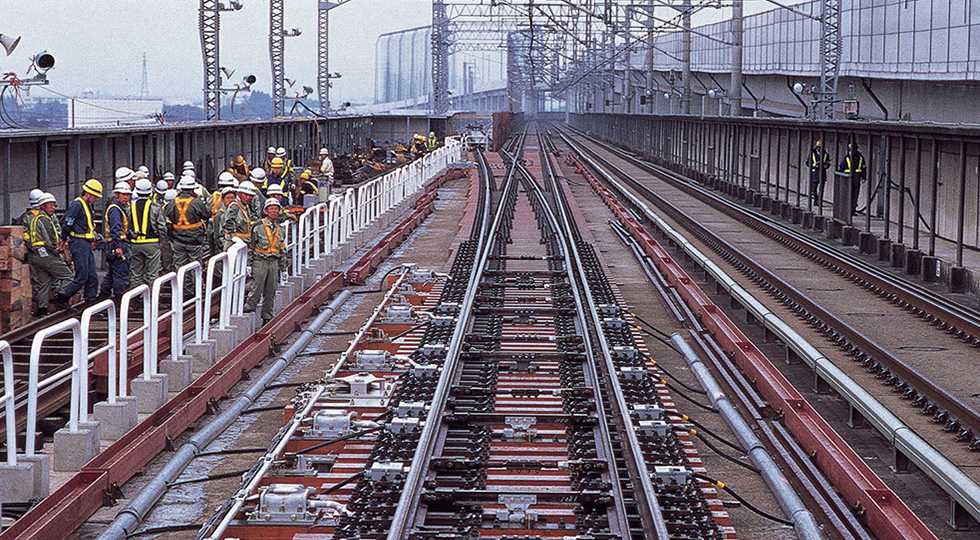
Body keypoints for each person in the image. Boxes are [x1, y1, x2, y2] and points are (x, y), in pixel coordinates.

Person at [54, 179, 103, 306]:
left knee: (92, 275)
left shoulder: (87, 205)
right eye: (95, 196)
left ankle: (90, 302)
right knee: (82, 276)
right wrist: (64, 239)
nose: (96, 199)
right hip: (79, 243)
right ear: (88, 193)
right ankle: (62, 298)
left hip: (86, 243)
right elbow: (68, 223)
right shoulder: (77, 204)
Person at [27, 192, 73, 316]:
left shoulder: (34, 218)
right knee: (68, 277)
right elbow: (50, 240)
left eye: (54, 205)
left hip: (36, 256)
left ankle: (42, 310)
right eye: (50, 205)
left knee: (44, 283)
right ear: (42, 206)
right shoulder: (45, 220)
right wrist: (57, 249)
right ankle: (60, 298)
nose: (53, 208)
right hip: (48, 255)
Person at [244, 197, 286, 326]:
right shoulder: (257, 227)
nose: (273, 211)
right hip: (260, 261)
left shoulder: (280, 230)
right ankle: (248, 309)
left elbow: (282, 250)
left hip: (273, 262)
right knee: (257, 287)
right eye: (271, 209)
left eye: (276, 209)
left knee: (271, 290)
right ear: (266, 211)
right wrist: (248, 264)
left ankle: (267, 317)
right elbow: (250, 246)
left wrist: (284, 269)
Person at [165, 176, 211, 275]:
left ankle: (182, 289)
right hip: (194, 241)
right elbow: (207, 214)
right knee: (195, 269)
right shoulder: (196, 202)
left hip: (178, 241)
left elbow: (166, 215)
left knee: (180, 269)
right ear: (193, 189)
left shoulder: (173, 202)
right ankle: (195, 289)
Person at [129, 179, 167, 289]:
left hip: (135, 244)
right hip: (152, 243)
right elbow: (162, 227)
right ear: (150, 192)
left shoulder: (130, 207)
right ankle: (152, 301)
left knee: (136, 275)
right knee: (152, 274)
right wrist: (161, 241)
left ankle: (136, 300)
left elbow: (127, 225)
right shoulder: (155, 207)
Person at [99, 182, 132, 300]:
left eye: (128, 195)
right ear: (117, 195)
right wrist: (118, 246)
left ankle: (103, 296)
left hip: (115, 243)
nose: (126, 197)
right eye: (124, 195)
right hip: (118, 244)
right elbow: (115, 229)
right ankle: (119, 301)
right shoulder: (115, 210)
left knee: (112, 273)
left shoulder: (118, 208)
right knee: (120, 274)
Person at [224, 180, 256, 249]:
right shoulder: (235, 207)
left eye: (250, 195)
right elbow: (228, 223)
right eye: (246, 194)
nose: (248, 197)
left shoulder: (246, 207)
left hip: (243, 243)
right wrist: (233, 237)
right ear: (239, 194)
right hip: (233, 244)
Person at [838, 142, 866, 216]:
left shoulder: (860, 158)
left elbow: (863, 168)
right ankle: (849, 211)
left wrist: (863, 177)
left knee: (855, 196)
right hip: (848, 180)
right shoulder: (846, 158)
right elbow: (841, 168)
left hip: (856, 180)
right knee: (849, 196)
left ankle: (852, 210)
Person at [209, 186, 237, 256]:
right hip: (223, 249)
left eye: (232, 198)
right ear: (222, 200)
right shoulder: (219, 216)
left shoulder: (238, 213)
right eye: (228, 198)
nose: (230, 200)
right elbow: (217, 237)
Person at [807, 140, 831, 206]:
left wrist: (826, 165)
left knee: (821, 189)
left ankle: (819, 201)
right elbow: (807, 162)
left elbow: (828, 163)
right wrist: (812, 165)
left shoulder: (826, 154)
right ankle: (815, 199)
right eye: (819, 147)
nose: (820, 149)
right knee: (814, 189)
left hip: (822, 173)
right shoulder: (812, 154)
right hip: (815, 173)